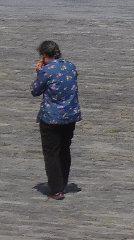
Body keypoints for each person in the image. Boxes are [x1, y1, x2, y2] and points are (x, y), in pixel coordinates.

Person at [32, 40, 80, 201]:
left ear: (44, 55)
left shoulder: (46, 71)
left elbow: (35, 90)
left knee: (51, 152)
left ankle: (56, 189)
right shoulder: (71, 66)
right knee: (64, 149)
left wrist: (39, 72)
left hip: (51, 117)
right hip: (70, 115)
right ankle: (63, 183)